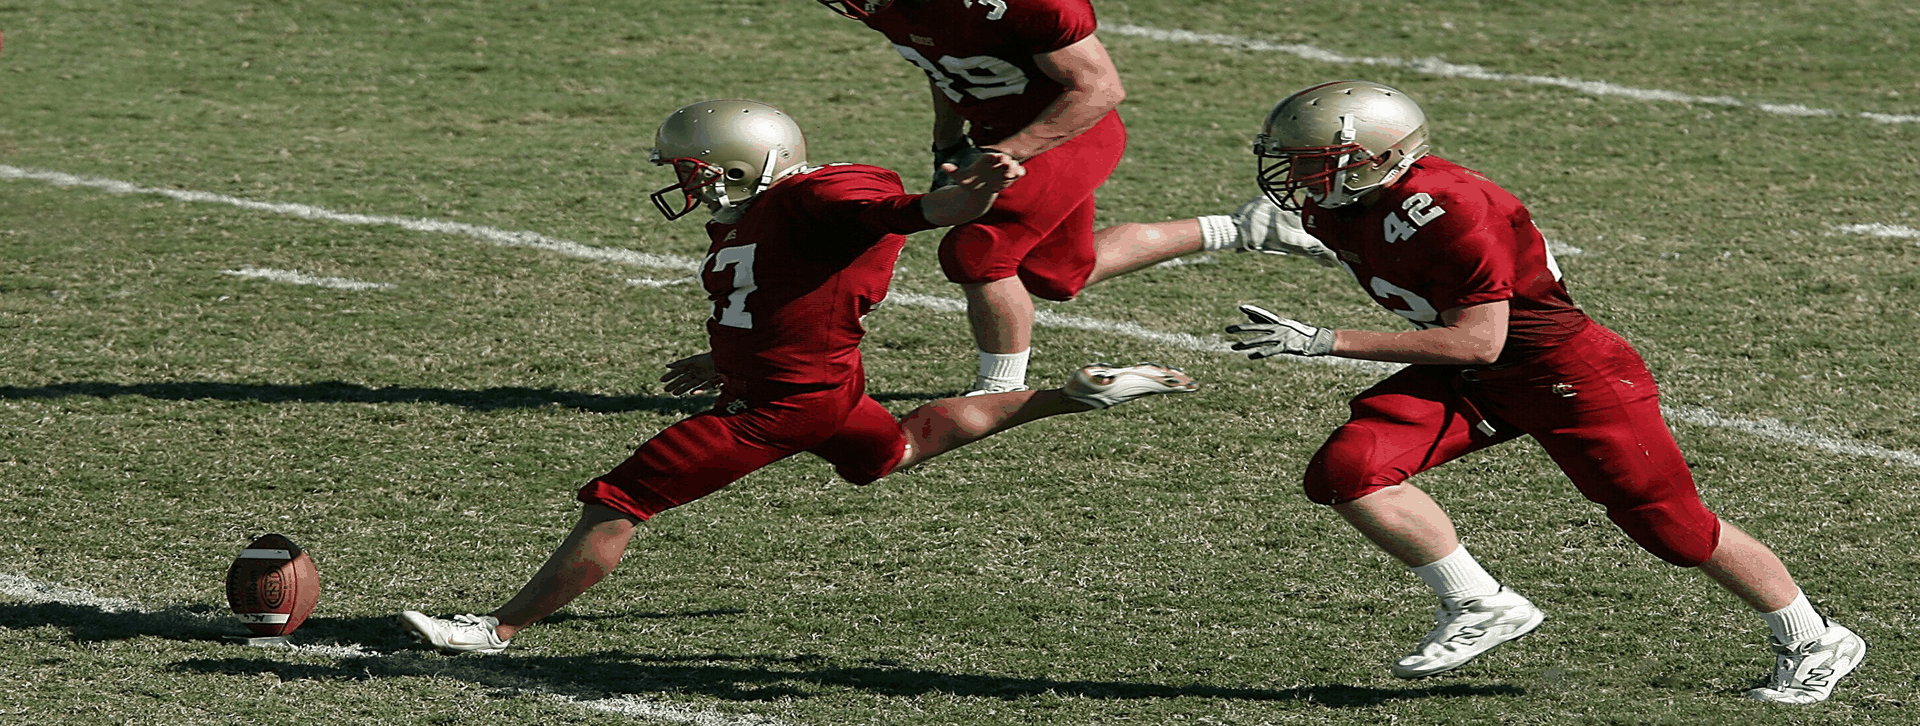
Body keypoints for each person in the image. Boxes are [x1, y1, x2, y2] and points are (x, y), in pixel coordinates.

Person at [398, 99, 1199, 653]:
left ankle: (496, 632)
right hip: (819, 387)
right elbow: (790, 290)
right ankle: (1075, 394)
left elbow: (894, 215)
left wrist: (955, 203)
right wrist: (729, 352)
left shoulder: (821, 197)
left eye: (695, 171)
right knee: (896, 451)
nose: (687, 185)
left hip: (779, 405)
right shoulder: (762, 216)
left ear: (745, 166)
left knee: (621, 499)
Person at [1223, 80, 1865, 704]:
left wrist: (1325, 340)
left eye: (1317, 163)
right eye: (1296, 163)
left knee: (1673, 529)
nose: (1300, 179)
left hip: (1564, 373)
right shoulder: (1337, 203)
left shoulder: (1458, 208)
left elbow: (1479, 340)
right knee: (1348, 469)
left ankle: (1816, 638)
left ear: (1383, 156)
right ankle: (1479, 601)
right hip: (1479, 377)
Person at [816, 0, 1328, 395]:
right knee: (1059, 275)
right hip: (1001, 132)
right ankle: (1248, 228)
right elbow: (946, 72)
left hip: (1072, 133)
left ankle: (1000, 390)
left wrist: (1006, 152)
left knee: (977, 253)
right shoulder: (893, 9)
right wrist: (949, 142)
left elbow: (1099, 89)